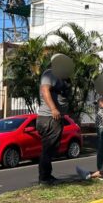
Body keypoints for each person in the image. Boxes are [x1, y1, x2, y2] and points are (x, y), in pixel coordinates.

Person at [36, 54, 72, 185]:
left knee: (51, 148)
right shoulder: (50, 73)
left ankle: (47, 176)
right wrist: (53, 109)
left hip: (54, 118)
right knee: (48, 148)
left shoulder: (59, 76)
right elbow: (45, 90)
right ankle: (44, 178)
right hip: (49, 118)